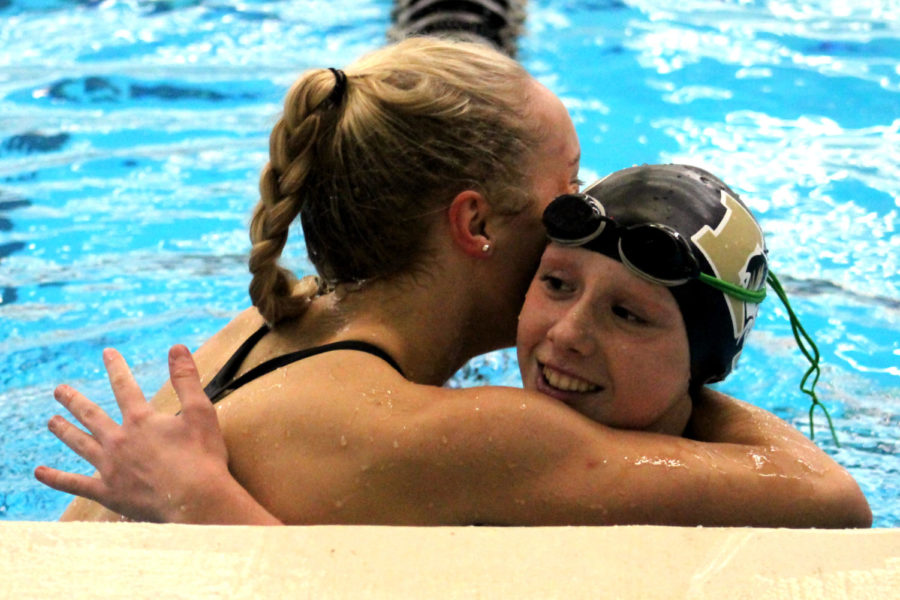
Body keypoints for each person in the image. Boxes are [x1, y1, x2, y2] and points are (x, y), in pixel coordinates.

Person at [35, 38, 871, 528]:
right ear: (474, 225)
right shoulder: (451, 433)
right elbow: (827, 496)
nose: (581, 210)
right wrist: (693, 356)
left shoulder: (283, 325)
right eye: (569, 183)